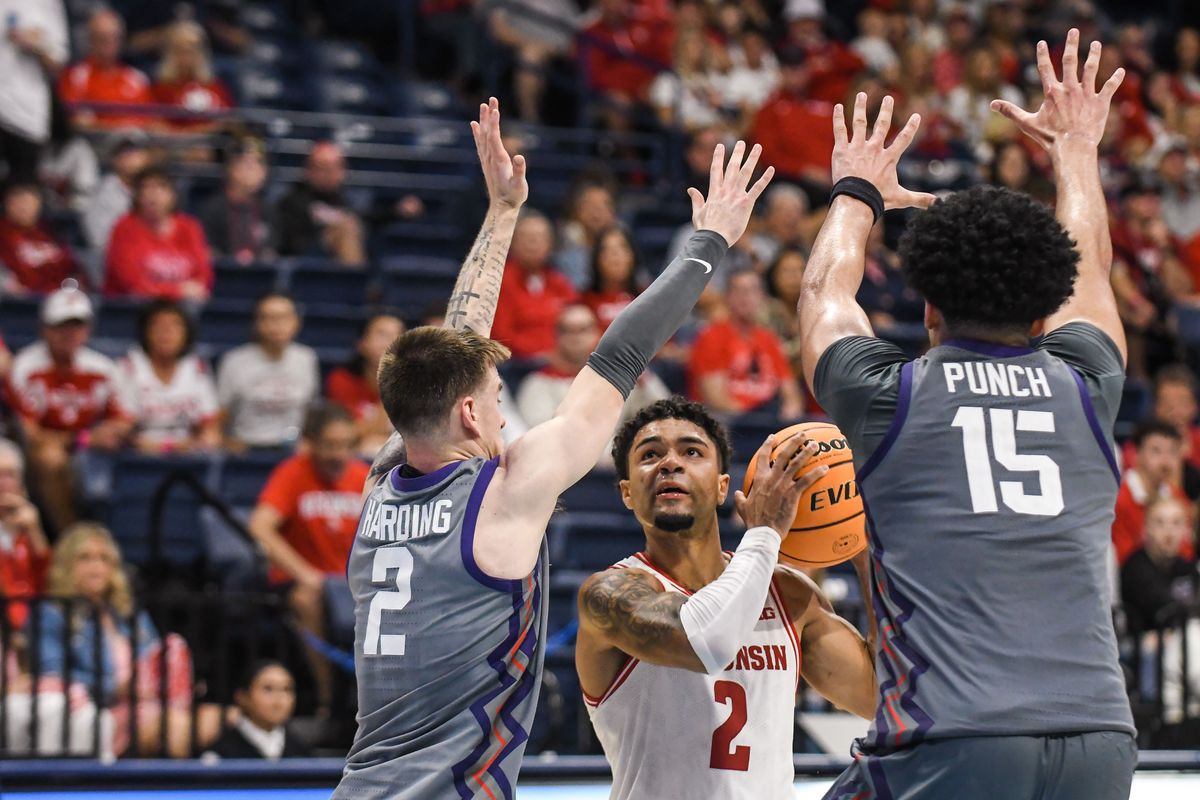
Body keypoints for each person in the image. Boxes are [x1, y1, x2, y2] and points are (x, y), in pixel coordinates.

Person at [334, 98, 773, 798]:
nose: (503, 411)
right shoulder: (504, 493)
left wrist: (503, 211)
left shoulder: (380, 483)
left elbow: (457, 345)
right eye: (496, 396)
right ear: (469, 412)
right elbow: (619, 356)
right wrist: (709, 242)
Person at [800, 32, 1138, 798]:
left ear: (928, 309)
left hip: (955, 740)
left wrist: (857, 192)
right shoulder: (1090, 382)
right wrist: (1076, 150)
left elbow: (823, 297)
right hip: (1101, 741)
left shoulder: (886, 396)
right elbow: (1090, 262)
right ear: (1044, 311)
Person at [576, 398, 875, 798]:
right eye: (650, 455)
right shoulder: (609, 595)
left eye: (691, 452)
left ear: (722, 486)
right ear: (627, 493)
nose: (670, 463)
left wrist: (868, 551)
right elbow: (706, 642)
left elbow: (879, 699)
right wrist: (765, 532)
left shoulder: (789, 594)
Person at [34, 523, 215, 757]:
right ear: (66, 566)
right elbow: (53, 676)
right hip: (101, 711)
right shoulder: (52, 615)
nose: (96, 567)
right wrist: (118, 687)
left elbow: (152, 658)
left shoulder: (128, 614)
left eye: (104, 559)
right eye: (85, 558)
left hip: (151, 705)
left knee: (222, 717)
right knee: (174, 726)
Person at [248, 402, 368, 713]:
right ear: (311, 443)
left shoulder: (362, 476)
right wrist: (304, 573)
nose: (338, 454)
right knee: (306, 598)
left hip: (352, 584)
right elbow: (260, 526)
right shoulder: (293, 473)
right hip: (306, 585)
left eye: (345, 445)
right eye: (330, 445)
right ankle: (328, 700)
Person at [7, 287, 131, 533]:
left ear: (88, 329)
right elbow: (31, 435)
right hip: (40, 455)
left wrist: (110, 432)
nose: (70, 334)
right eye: (61, 326)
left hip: (92, 453)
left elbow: (124, 419)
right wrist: (82, 439)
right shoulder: (26, 367)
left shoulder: (102, 368)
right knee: (51, 458)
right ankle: (71, 536)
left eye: (77, 326)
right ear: (45, 328)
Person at [516, 304, 669, 441]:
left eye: (583, 330)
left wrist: (643, 377)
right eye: (568, 331)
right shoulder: (537, 383)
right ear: (557, 336)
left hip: (617, 458)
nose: (576, 338)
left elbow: (663, 415)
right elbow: (541, 435)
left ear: (597, 333)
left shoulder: (616, 378)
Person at [688, 269, 804, 420]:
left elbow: (791, 393)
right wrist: (757, 420)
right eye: (738, 290)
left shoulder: (768, 338)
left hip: (769, 417)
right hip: (731, 421)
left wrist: (790, 413)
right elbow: (716, 399)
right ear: (727, 296)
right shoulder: (712, 336)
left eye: (752, 290)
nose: (745, 297)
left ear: (762, 297)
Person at [217, 293, 319, 451]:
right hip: (245, 448)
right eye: (268, 318)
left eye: (283, 317)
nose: (276, 325)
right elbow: (220, 414)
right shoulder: (234, 361)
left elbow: (311, 408)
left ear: (296, 322)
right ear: (256, 323)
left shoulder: (306, 358)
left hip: (292, 449)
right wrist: (226, 442)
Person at [117, 300, 220, 455]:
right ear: (145, 332)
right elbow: (120, 429)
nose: (166, 332)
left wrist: (204, 439)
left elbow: (211, 427)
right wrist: (166, 446)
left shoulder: (197, 367)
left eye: (175, 325)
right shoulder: (129, 367)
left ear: (187, 333)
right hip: (137, 456)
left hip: (187, 455)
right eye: (158, 326)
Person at [104, 166, 213, 301]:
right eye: (146, 188)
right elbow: (131, 284)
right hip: (133, 307)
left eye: (161, 187)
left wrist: (186, 291)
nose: (154, 195)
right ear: (137, 196)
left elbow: (203, 277)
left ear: (173, 195)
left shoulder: (189, 227)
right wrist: (176, 291)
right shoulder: (124, 228)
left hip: (182, 306)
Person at [490, 210, 579, 359]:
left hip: (562, 361)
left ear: (550, 244)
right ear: (512, 243)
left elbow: (578, 321)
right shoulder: (499, 282)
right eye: (526, 237)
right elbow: (502, 337)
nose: (532, 243)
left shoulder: (559, 280)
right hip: (519, 364)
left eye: (539, 237)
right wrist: (545, 355)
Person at [0, 0, 68, 184]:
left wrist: (38, 46)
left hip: (24, 116)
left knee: (21, 191)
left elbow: (58, 62)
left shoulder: (46, 4)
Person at [1113, 420, 1195, 565]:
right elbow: (1125, 559)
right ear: (1136, 454)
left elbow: (1187, 550)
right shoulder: (1119, 500)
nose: (1165, 460)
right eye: (1156, 451)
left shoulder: (1176, 496)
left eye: (1172, 451)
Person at [57, 9, 154, 131]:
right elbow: (77, 122)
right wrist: (120, 127)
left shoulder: (137, 78)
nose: (108, 44)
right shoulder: (75, 76)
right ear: (90, 39)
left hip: (134, 139)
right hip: (92, 141)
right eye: (101, 38)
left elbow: (150, 122)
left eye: (113, 38)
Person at [326, 313, 405, 459]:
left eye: (398, 335)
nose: (391, 341)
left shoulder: (414, 382)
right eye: (382, 334)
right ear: (362, 343)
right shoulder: (342, 379)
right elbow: (346, 434)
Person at [276, 141, 366, 267]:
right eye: (322, 167)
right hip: (304, 260)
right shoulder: (292, 200)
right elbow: (292, 244)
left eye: (335, 167)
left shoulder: (346, 201)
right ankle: (355, 278)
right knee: (345, 228)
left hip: (336, 262)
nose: (329, 173)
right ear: (308, 170)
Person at [203, 660, 312, 760]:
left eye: (287, 689)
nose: (279, 699)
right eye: (268, 689)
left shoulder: (303, 753)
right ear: (242, 697)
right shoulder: (219, 756)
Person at [198, 138, 277, 264]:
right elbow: (208, 250)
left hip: (259, 274)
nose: (259, 172)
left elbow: (272, 250)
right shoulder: (212, 209)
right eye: (249, 166)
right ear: (231, 169)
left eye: (260, 165)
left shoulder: (268, 210)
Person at [0, 182, 85, 294]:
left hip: (59, 295)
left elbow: (71, 266)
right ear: (7, 205)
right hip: (20, 299)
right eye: (17, 203)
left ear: (38, 205)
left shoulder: (49, 233)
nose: (23, 208)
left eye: (28, 203)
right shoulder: (3, 234)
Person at [0, 438, 49, 628]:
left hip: (35, 622)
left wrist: (35, 532)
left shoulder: (29, 522)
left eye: (10, 475)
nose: (4, 483)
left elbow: (50, 579)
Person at [151, 21, 234, 131]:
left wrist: (198, 132)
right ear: (170, 52)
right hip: (171, 141)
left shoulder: (216, 87)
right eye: (180, 48)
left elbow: (228, 121)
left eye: (193, 47)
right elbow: (154, 124)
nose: (187, 52)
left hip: (211, 141)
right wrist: (185, 136)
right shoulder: (160, 89)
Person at [82, 135, 150, 251]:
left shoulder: (155, 187)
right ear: (115, 160)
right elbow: (99, 240)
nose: (132, 157)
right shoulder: (102, 192)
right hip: (119, 254)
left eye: (136, 151)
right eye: (126, 151)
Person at [581, 226, 639, 331]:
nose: (615, 255)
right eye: (607, 250)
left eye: (622, 248)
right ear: (597, 259)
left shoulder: (647, 296)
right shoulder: (584, 302)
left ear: (633, 256)